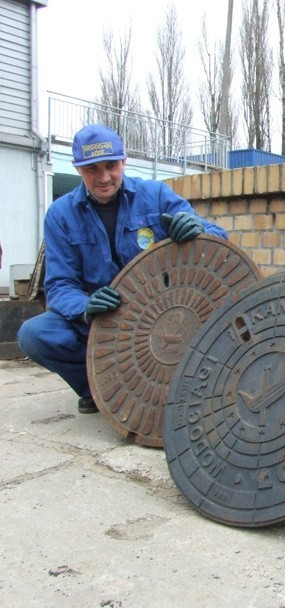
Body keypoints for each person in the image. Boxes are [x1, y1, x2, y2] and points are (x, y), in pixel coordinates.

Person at [17, 124, 229, 414]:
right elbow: (59, 285)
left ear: (123, 162)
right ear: (78, 169)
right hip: (102, 323)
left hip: (162, 317)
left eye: (111, 166)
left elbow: (219, 239)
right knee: (35, 333)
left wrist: (199, 229)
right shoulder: (60, 216)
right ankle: (96, 388)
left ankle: (178, 385)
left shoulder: (155, 195)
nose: (104, 177)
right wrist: (85, 306)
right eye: (92, 169)